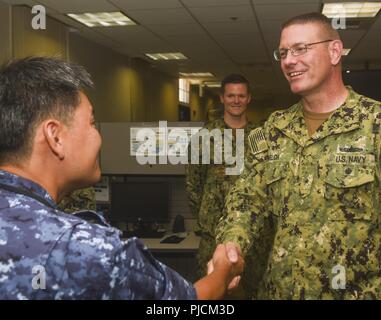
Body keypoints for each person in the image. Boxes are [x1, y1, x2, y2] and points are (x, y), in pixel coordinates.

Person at [0, 56, 243, 300]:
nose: (99, 138)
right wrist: (222, 269)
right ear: (55, 137)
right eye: (93, 123)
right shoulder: (90, 249)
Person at [213, 12, 381, 299]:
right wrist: (231, 244)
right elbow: (245, 198)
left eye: (301, 49)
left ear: (334, 51)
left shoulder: (374, 125)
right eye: (283, 53)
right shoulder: (274, 129)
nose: (289, 60)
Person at [186, 74, 273, 298]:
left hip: (255, 239)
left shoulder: (259, 137)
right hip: (212, 238)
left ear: (249, 99)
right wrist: (209, 218)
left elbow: (268, 183)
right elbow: (193, 186)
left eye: (241, 96)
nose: (236, 100)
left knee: (257, 292)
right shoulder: (205, 137)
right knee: (211, 297)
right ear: (222, 98)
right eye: (231, 95)